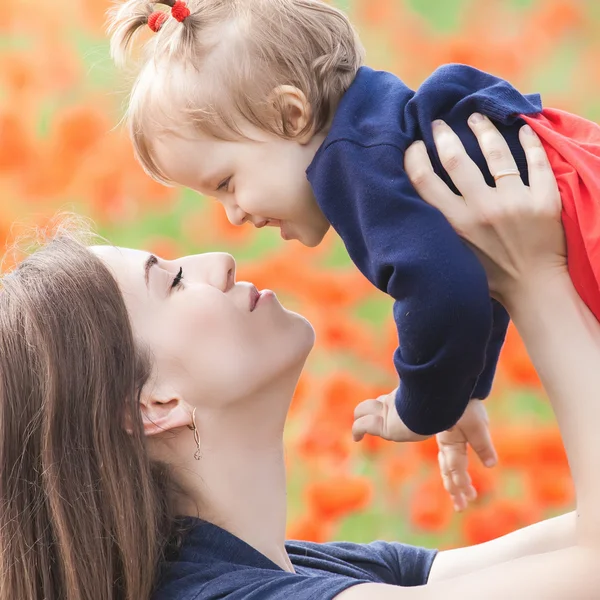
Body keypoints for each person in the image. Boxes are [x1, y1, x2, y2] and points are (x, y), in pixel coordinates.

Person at [1, 118, 599, 599]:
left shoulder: (291, 566)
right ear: (154, 404)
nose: (219, 259)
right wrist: (535, 281)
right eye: (174, 281)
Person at [107, 1, 600, 503]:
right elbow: (471, 275)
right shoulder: (384, 129)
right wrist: (463, 390)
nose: (232, 215)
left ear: (291, 115)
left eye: (227, 183)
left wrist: (419, 407)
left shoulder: (352, 168)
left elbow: (446, 296)